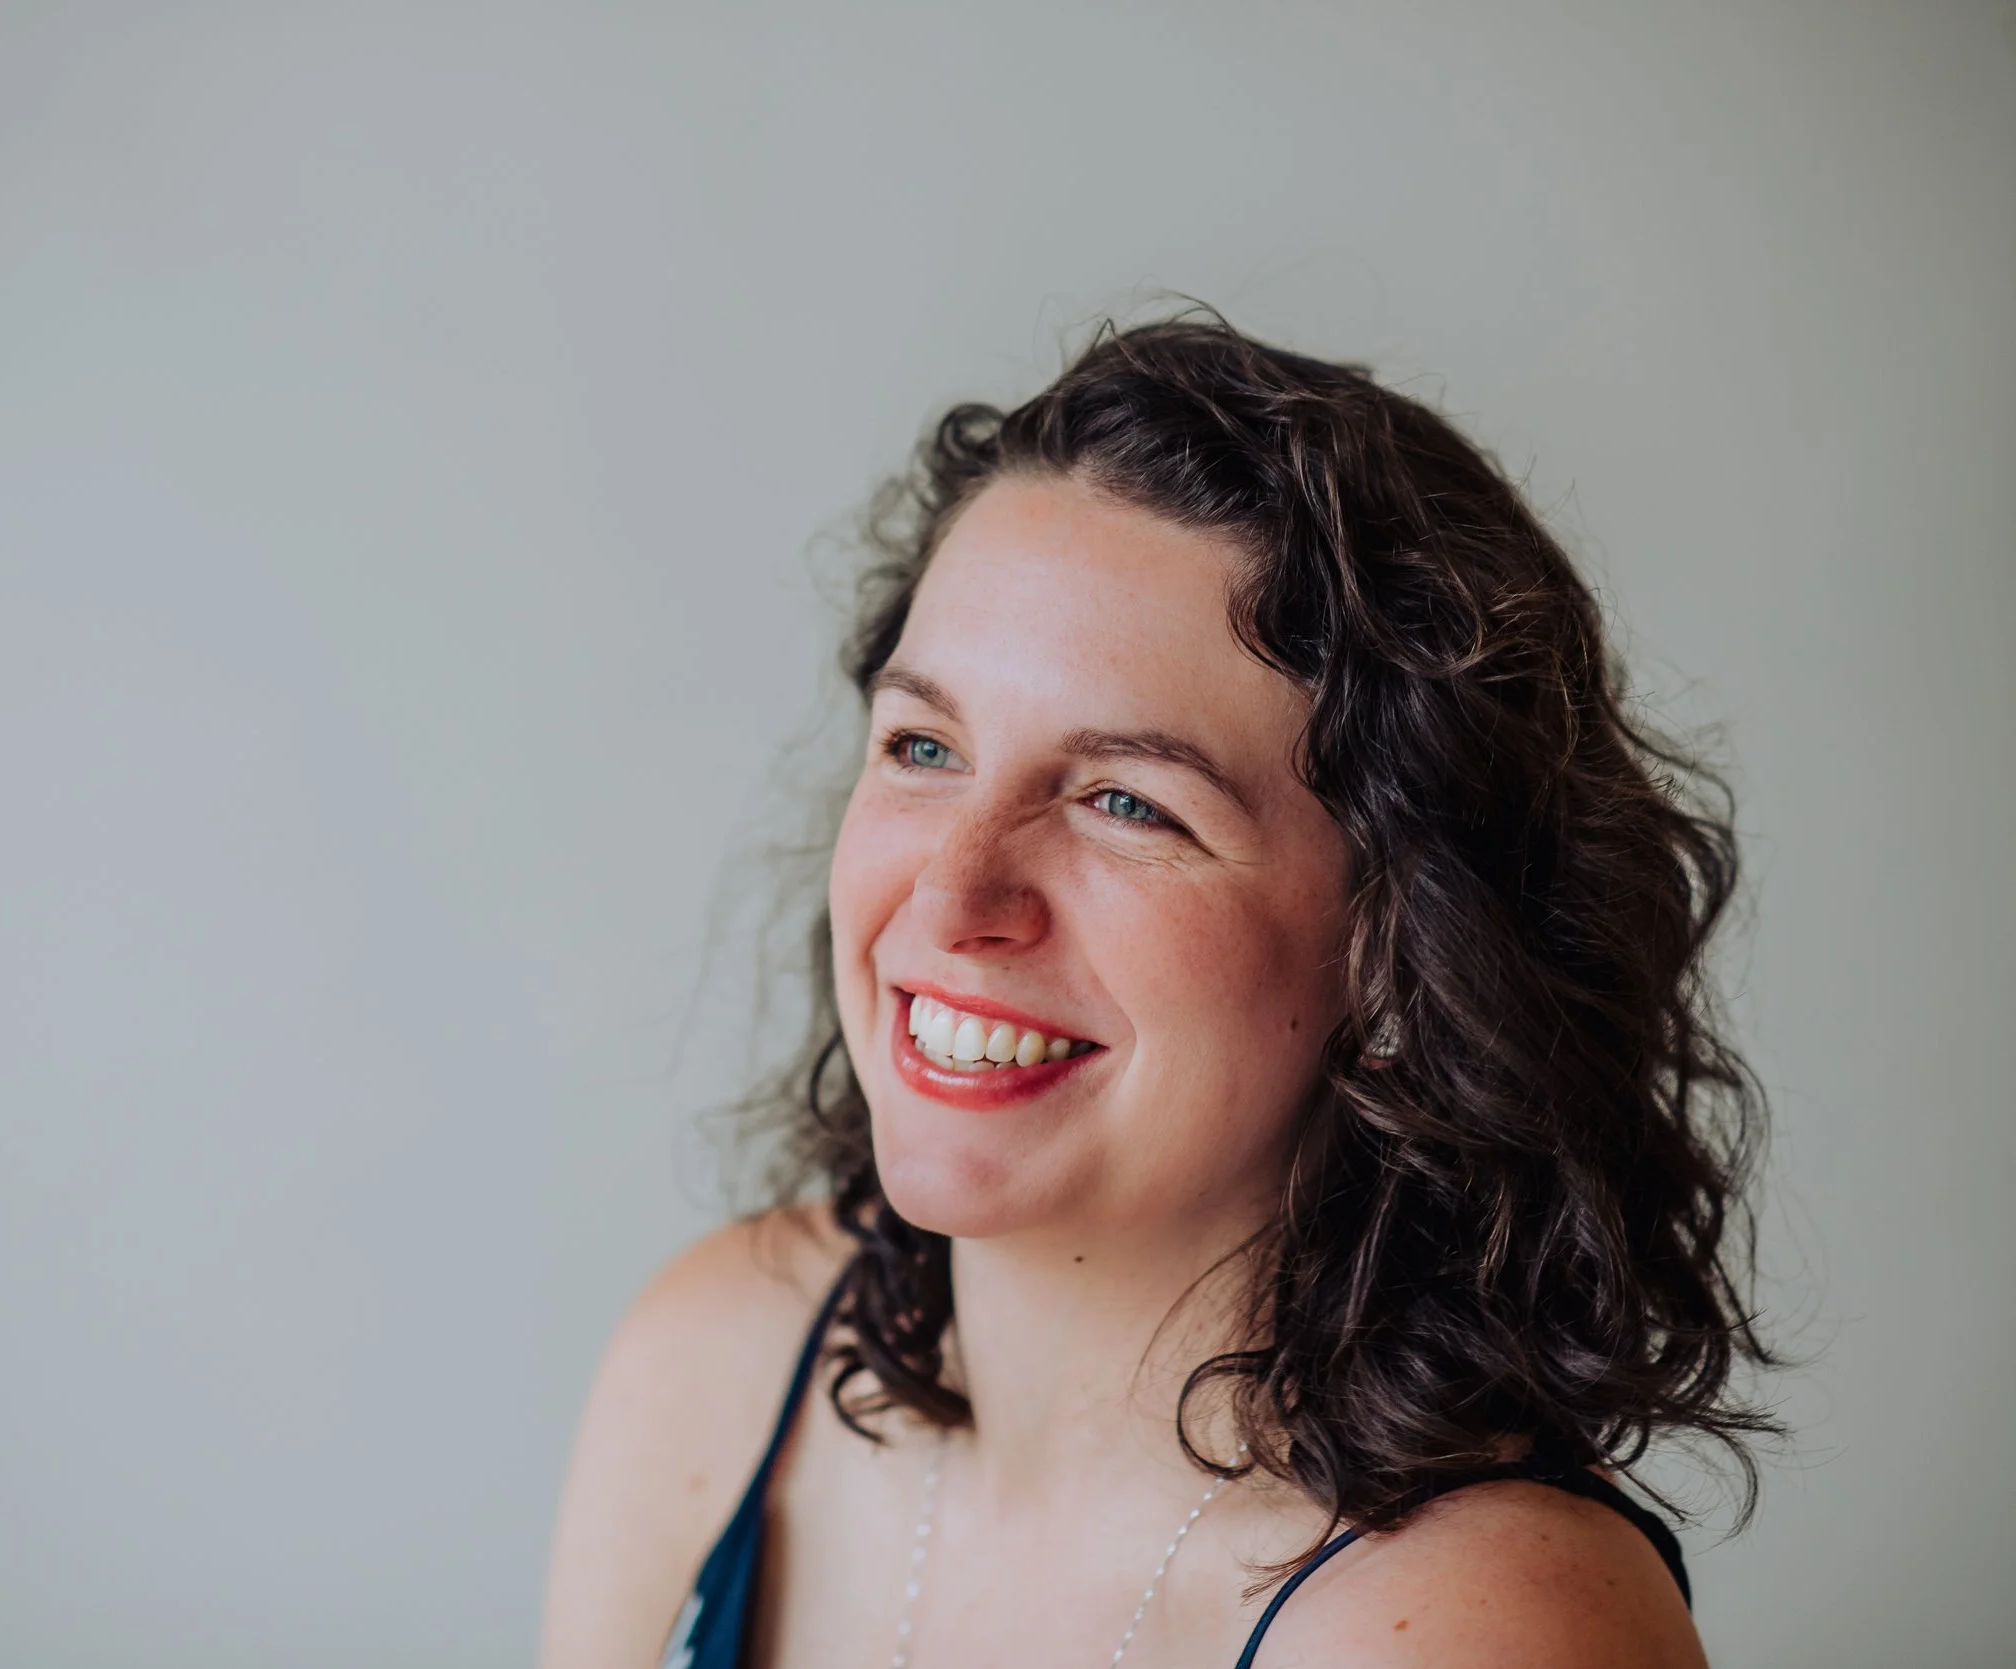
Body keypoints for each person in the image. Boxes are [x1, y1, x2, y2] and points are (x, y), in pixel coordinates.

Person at [539, 316, 1772, 1668]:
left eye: (1128, 800)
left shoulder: (1476, 1625)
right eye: (923, 745)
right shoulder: (718, 1356)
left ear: (1401, 946)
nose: (951, 899)